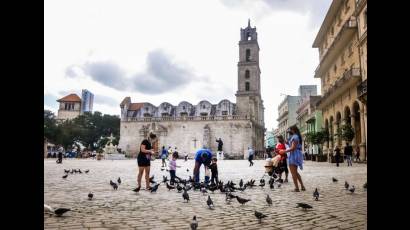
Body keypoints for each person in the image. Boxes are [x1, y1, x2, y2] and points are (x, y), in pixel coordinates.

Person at [279, 126, 306, 192]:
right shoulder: (295, 136)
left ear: (293, 130)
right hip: (296, 154)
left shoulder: (295, 137)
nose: (289, 131)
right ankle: (302, 186)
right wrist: (284, 141)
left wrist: (284, 151)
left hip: (294, 155)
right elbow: (290, 144)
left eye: (289, 130)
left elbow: (293, 148)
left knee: (293, 173)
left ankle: (296, 188)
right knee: (295, 172)